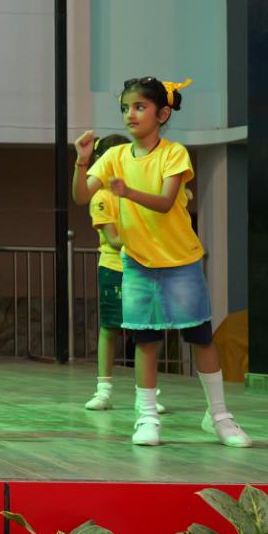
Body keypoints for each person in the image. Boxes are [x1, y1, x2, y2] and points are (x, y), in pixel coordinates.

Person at [73, 76, 250, 448]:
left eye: (140, 107)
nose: (130, 114)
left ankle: (219, 417)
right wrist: (81, 161)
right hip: (138, 264)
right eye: (125, 108)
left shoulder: (174, 153)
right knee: (146, 341)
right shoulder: (114, 157)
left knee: (200, 338)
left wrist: (128, 191)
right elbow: (80, 196)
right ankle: (147, 418)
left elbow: (166, 202)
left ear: (163, 114)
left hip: (181, 261)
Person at [84, 134, 165, 415]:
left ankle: (147, 394)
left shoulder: (138, 192)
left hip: (145, 268)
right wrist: (148, 239)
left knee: (148, 332)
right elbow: (114, 239)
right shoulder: (101, 197)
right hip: (115, 269)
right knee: (111, 327)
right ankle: (103, 391)